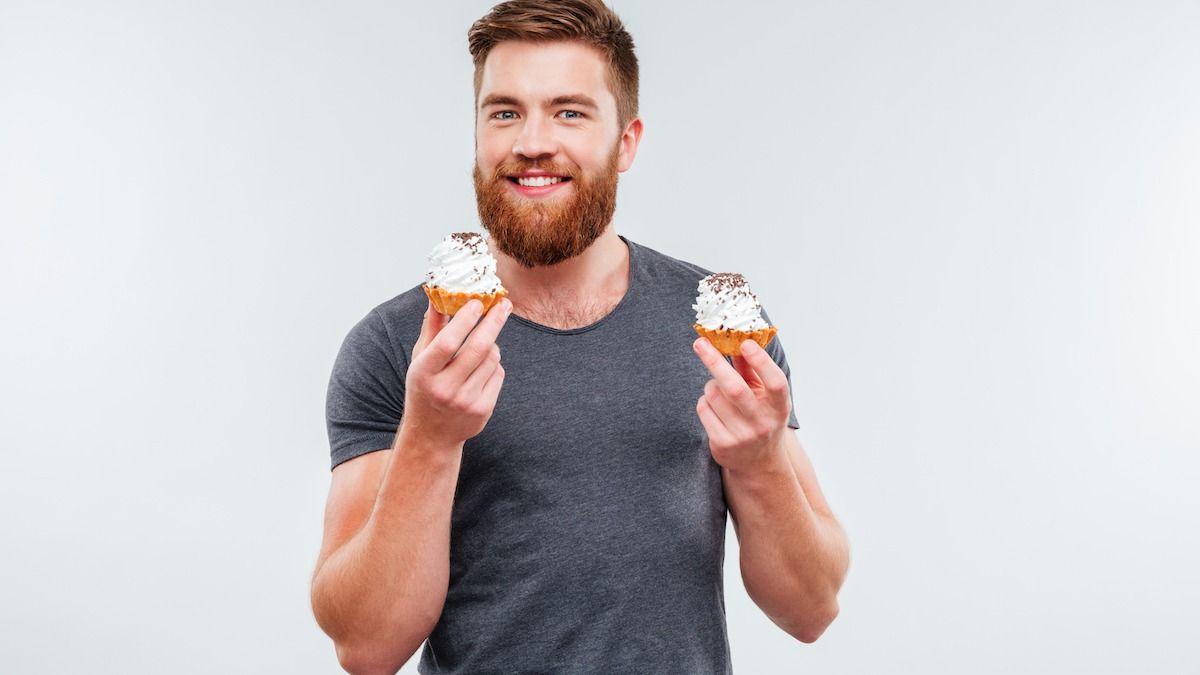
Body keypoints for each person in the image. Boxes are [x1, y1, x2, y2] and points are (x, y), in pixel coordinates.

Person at [310, 1, 850, 673]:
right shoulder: (399, 345)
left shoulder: (719, 331)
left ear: (626, 142)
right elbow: (364, 645)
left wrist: (762, 460)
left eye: (569, 112)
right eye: (504, 112)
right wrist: (430, 437)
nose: (532, 141)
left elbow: (811, 607)